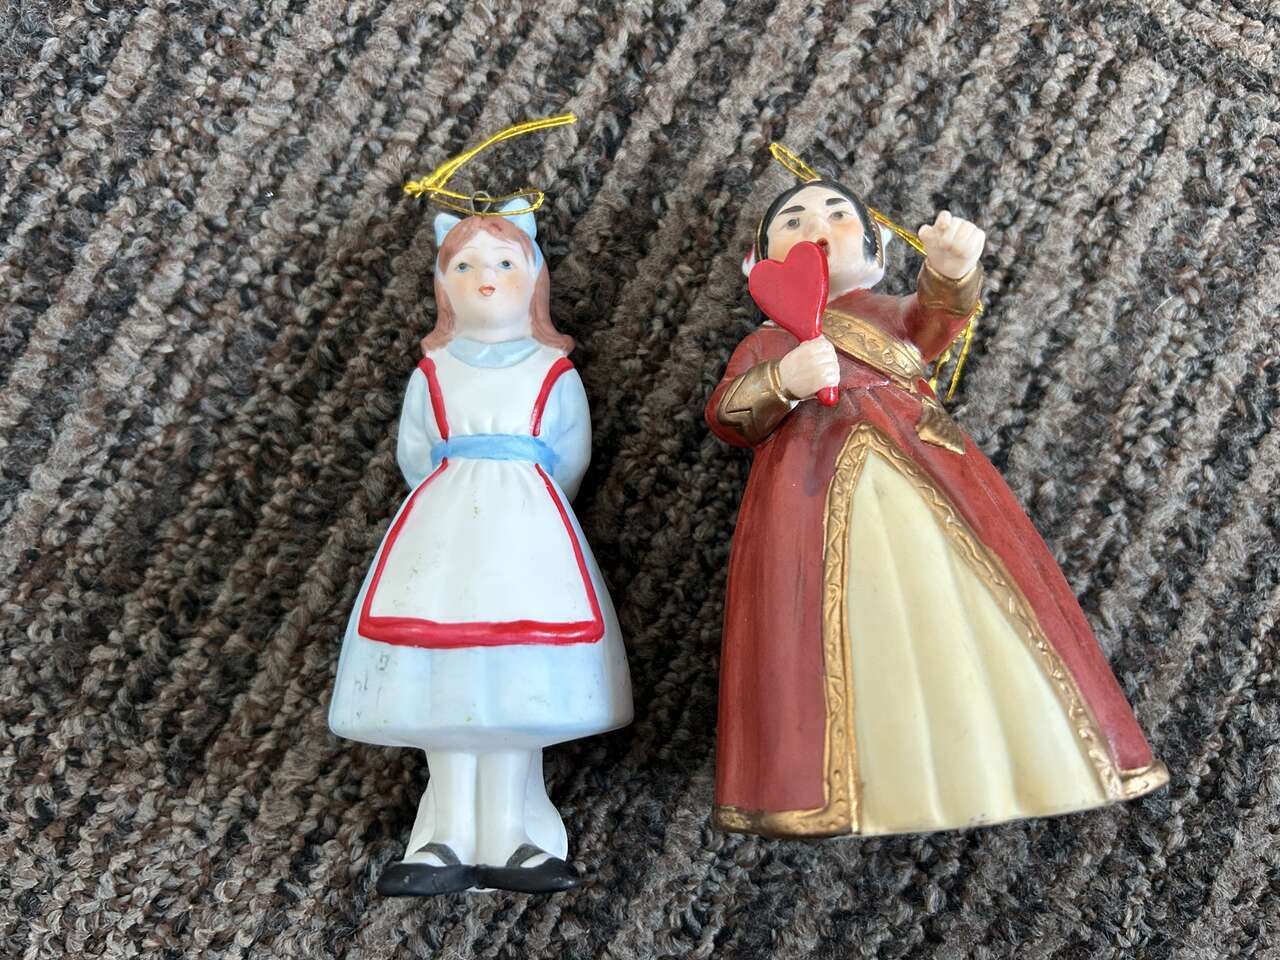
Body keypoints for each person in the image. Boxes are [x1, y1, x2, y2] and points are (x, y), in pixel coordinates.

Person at [705, 174, 1168, 838]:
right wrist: (782, 379)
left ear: (874, 251)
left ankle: (1022, 754)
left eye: (837, 214)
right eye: (793, 221)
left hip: (926, 472)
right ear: (760, 263)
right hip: (807, 495)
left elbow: (935, 321)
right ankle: (840, 778)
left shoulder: (885, 314)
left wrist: (951, 272)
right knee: (832, 624)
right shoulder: (764, 344)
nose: (816, 227)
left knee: (965, 602)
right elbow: (728, 415)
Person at [330, 201, 632, 893]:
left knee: (514, 687)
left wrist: (529, 506)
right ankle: (443, 836)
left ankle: (511, 833)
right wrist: (454, 503)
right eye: (463, 266)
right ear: (443, 287)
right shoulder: (432, 371)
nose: (485, 279)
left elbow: (571, 455)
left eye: (502, 263)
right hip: (441, 539)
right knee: (446, 685)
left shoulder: (553, 371)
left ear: (534, 279)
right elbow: (414, 454)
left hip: (528, 538)